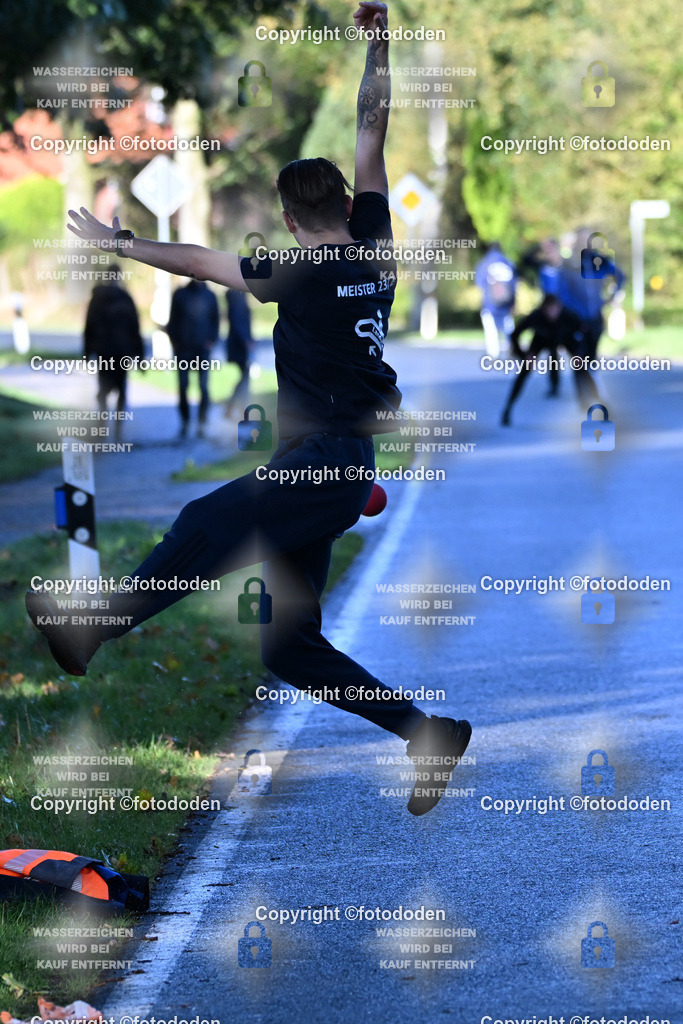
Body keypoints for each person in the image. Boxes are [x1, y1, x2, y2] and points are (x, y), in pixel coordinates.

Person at [25, 1, 471, 818]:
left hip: (324, 463)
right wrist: (379, 41)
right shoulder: (374, 243)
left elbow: (198, 259)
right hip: (336, 466)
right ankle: (425, 734)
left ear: (295, 222)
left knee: (203, 517)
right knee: (289, 645)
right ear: (343, 202)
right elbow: (374, 129)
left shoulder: (298, 271)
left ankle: (94, 629)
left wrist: (121, 244)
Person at [500, 295, 599, 426]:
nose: (552, 313)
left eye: (555, 309)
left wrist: (584, 354)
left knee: (581, 367)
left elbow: (587, 333)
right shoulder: (536, 316)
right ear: (543, 309)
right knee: (524, 372)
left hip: (565, 339)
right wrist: (524, 355)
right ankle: (508, 409)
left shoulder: (568, 316)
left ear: (560, 308)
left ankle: (596, 400)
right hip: (541, 340)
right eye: (549, 310)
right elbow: (515, 334)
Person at [83, 264, 143, 431]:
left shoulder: (98, 299)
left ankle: (104, 425)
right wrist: (139, 355)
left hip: (105, 351)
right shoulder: (125, 298)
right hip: (120, 352)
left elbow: (89, 327)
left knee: (104, 390)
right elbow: (135, 328)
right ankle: (117, 427)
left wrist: (87, 352)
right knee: (120, 391)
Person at [166, 278, 219, 438]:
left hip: (202, 350)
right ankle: (185, 422)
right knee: (183, 387)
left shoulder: (210, 295)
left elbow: (215, 320)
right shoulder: (180, 294)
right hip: (183, 349)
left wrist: (211, 340)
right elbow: (173, 320)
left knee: (203, 387)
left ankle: (202, 423)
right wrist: (174, 341)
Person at [475, 242, 517, 357]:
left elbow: (479, 283)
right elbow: (514, 284)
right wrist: (514, 302)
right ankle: (513, 349)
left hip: (489, 303)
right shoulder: (508, 262)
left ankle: (493, 354)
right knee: (509, 328)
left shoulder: (484, 263)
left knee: (490, 330)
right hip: (506, 302)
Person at [224, 288, 253, 418]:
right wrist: (246, 340)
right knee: (245, 378)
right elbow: (238, 321)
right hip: (240, 345)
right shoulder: (237, 296)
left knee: (244, 377)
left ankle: (232, 409)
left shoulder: (236, 296)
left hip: (239, 344)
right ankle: (240, 410)